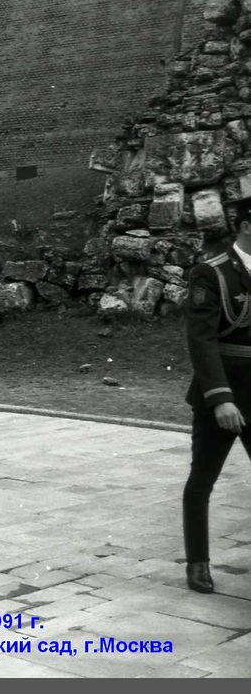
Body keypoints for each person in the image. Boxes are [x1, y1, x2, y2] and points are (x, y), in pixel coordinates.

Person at [182, 194, 251, 595]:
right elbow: (202, 341)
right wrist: (221, 398)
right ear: (246, 226)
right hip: (223, 392)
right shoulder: (211, 274)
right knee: (202, 480)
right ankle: (198, 562)